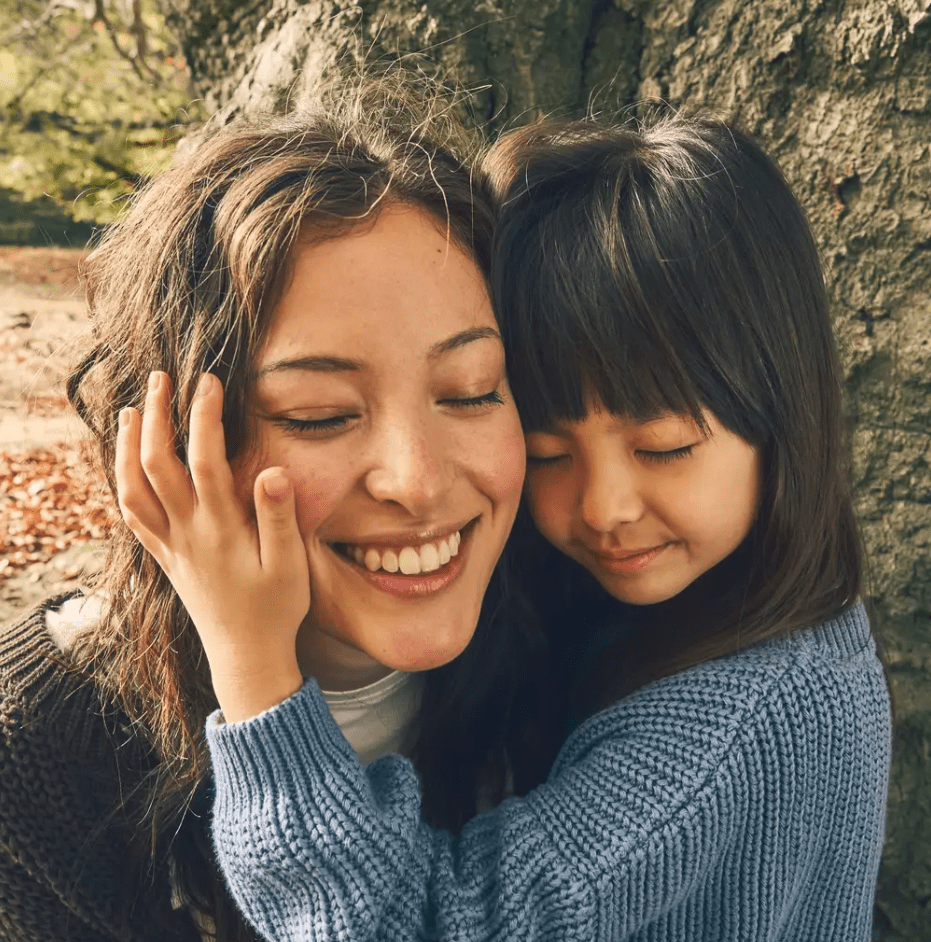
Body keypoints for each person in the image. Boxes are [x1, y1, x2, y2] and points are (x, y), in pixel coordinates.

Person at [140, 113, 891, 941]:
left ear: (786, 415)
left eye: (665, 448)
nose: (604, 508)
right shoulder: (735, 619)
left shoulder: (733, 727)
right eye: (546, 453)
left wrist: (254, 673)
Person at [0, 67, 532, 942]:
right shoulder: (39, 750)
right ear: (167, 448)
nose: (418, 480)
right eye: (318, 415)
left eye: (473, 391)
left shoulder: (589, 652)